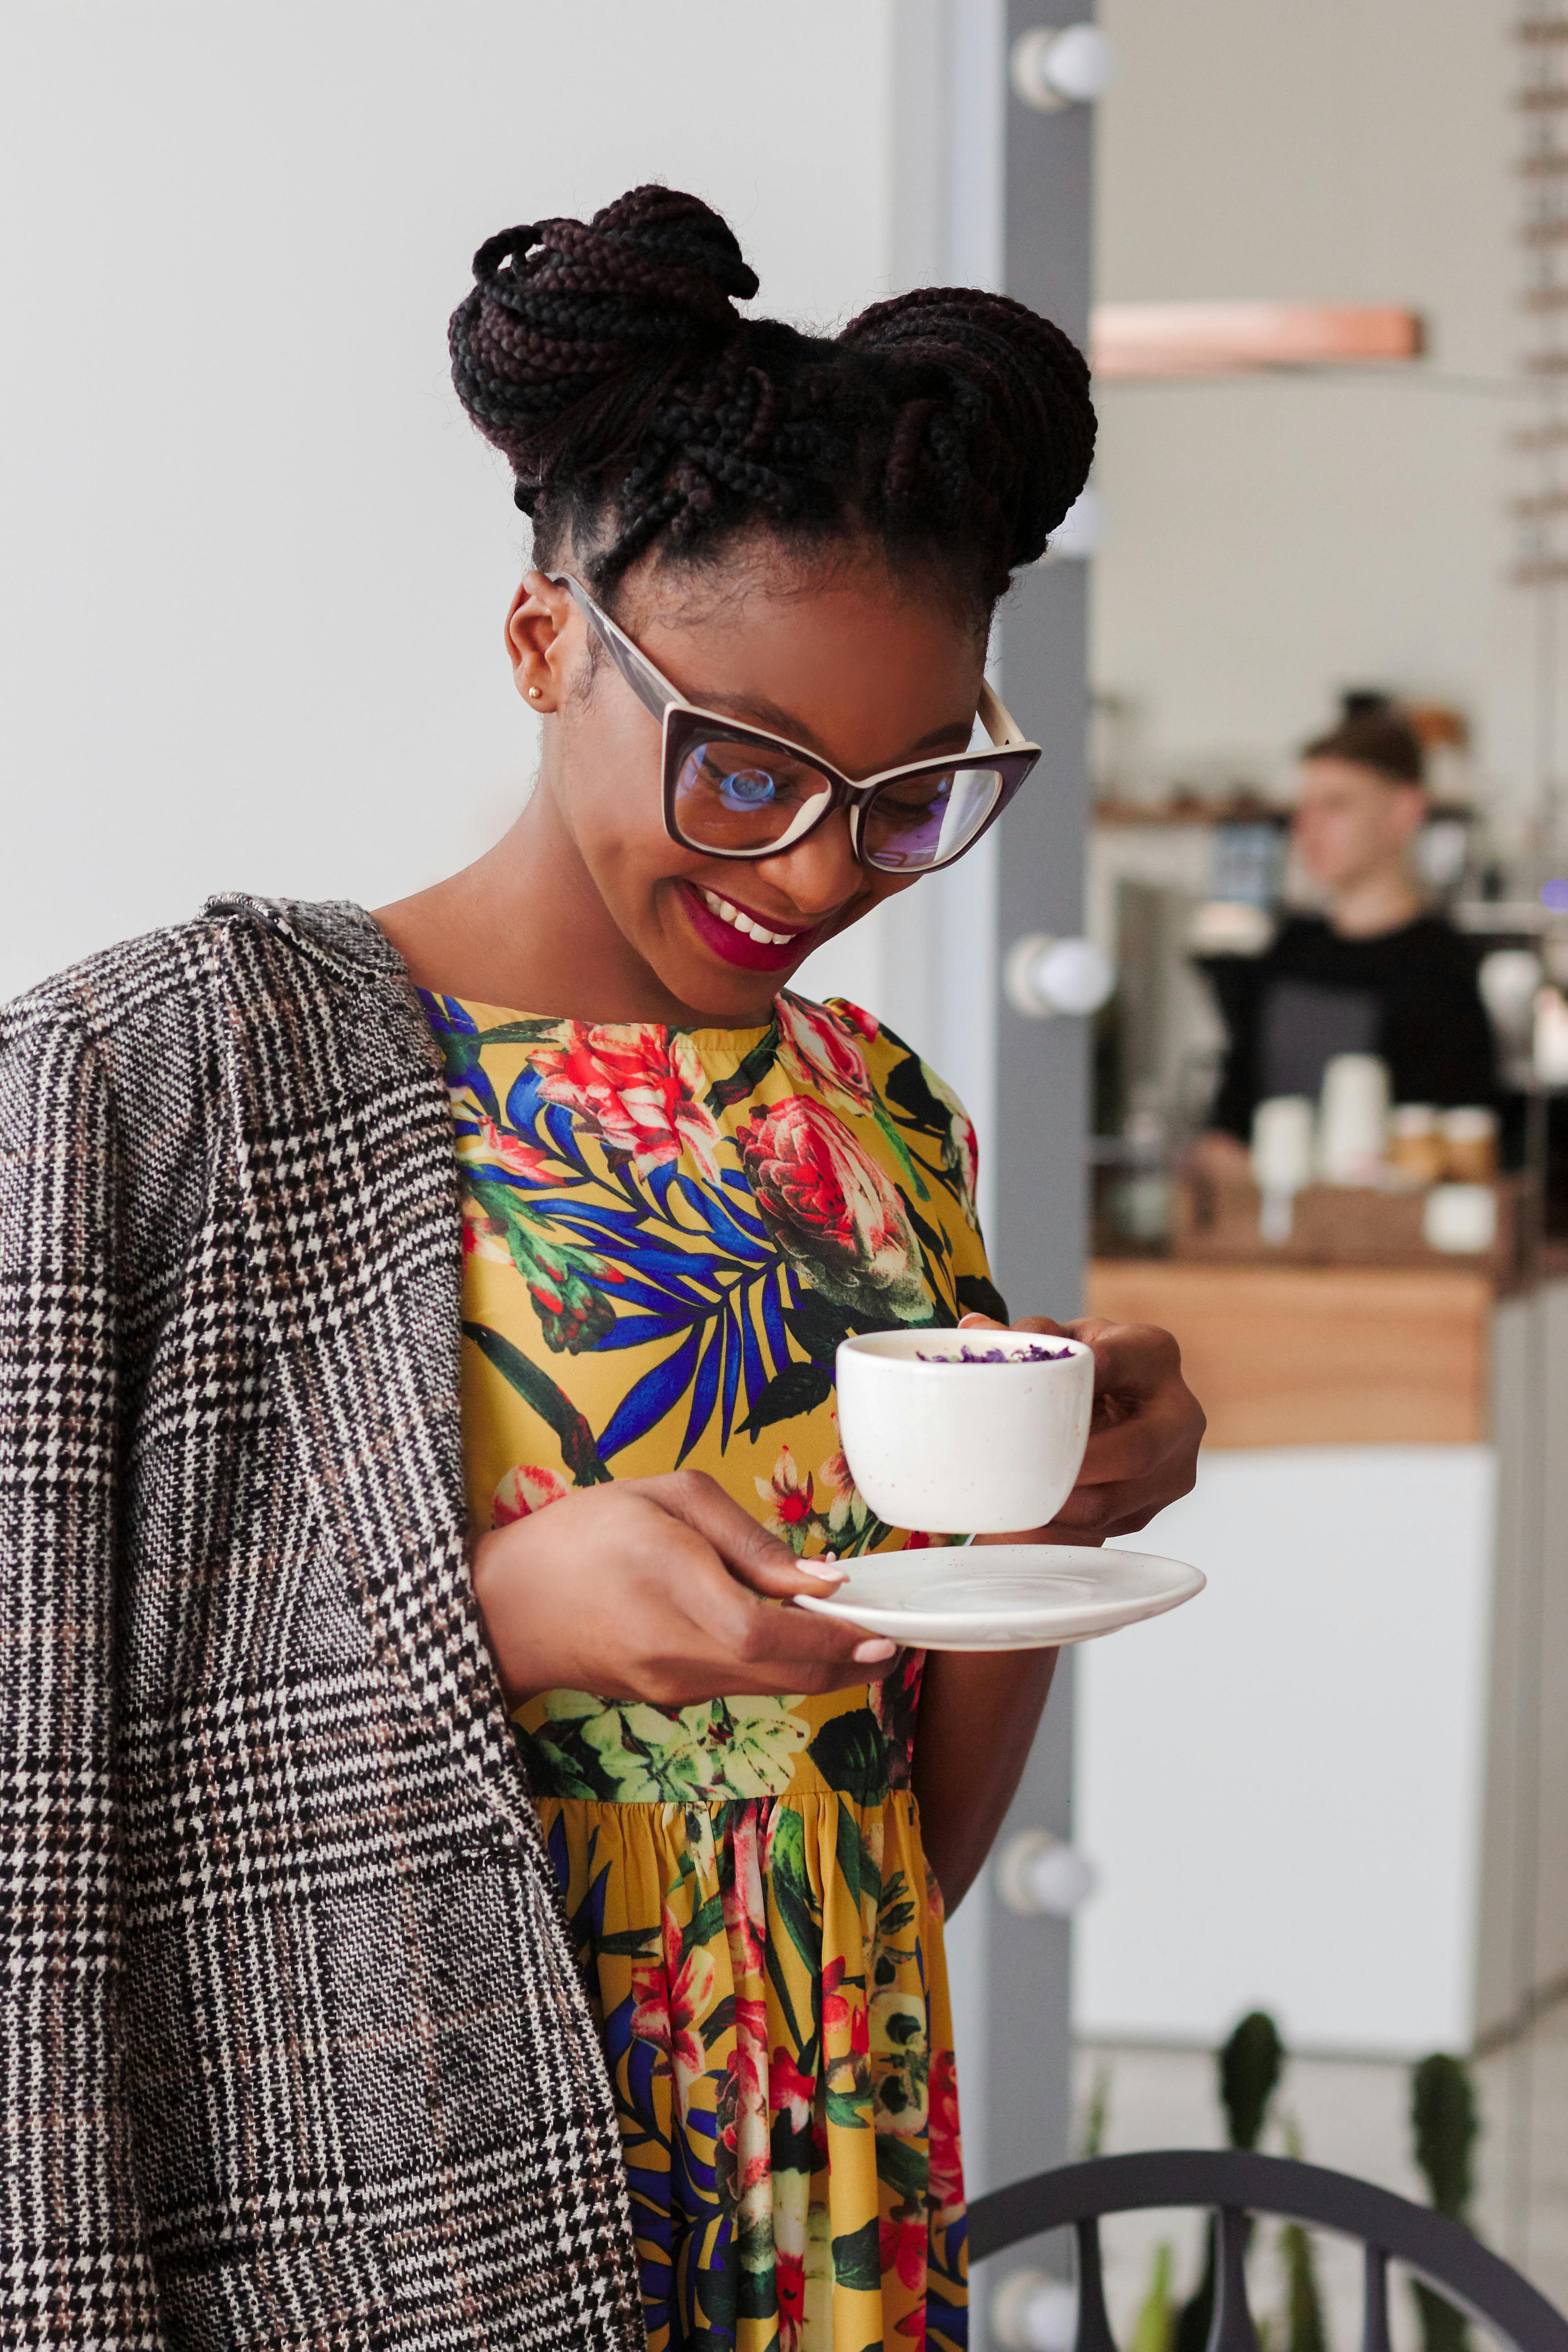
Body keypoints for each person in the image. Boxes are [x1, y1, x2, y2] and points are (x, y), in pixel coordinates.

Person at [1, 186, 1204, 2352]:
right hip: (410, 2193)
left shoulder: (876, 1116)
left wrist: (1041, 1503)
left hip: (832, 2148)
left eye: (908, 794)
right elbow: (39, 1732)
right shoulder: (172, 1079)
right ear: (547, 640)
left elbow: (896, 1811)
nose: (818, 869)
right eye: (745, 766)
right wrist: (494, 1620)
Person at [1198, 702, 1497, 1165]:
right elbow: (1235, 1104)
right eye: (1304, 808)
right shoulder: (1290, 948)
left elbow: (1455, 1141)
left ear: (1404, 811)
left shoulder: (1441, 965)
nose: (1306, 828)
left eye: (1336, 805)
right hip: (1263, 1223)